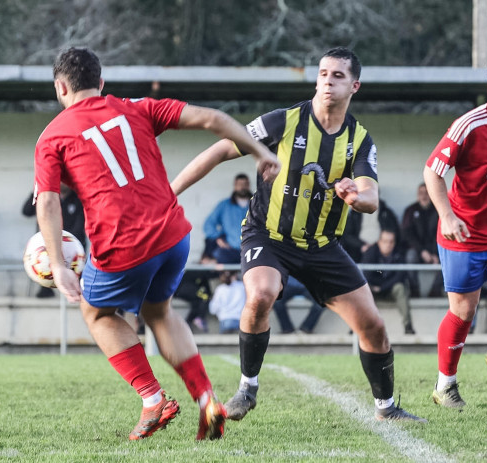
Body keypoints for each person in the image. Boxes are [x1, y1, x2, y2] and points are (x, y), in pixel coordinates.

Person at [34, 48, 280, 441]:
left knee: (95, 314)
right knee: (159, 313)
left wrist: (60, 266)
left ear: (60, 88)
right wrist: (262, 151)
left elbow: (46, 200)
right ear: (101, 83)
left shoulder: (52, 136)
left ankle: (153, 399)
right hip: (173, 235)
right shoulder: (137, 108)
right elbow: (213, 119)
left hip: (122, 244)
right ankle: (206, 402)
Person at [171, 47, 425, 423]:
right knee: (261, 294)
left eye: (338, 76)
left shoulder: (359, 140)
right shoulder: (284, 121)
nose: (327, 81)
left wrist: (356, 196)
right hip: (268, 235)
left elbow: (371, 195)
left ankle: (386, 408)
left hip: (322, 246)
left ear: (354, 85)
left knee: (373, 326)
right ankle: (247, 388)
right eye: (323, 74)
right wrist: (169, 192)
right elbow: (222, 148)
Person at [425, 53, 487, 409]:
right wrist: (447, 215)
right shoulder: (469, 125)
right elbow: (432, 171)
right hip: (463, 233)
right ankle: (445, 385)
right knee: (463, 311)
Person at [22, 183, 86, 298]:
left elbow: (80, 226)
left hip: (72, 249)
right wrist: (36, 191)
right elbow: (26, 211)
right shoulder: (44, 197)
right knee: (45, 267)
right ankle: (46, 291)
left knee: (78, 284)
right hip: (47, 249)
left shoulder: (78, 198)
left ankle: (78, 295)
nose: (62, 182)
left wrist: (64, 243)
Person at [361, 229, 415, 335]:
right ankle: (357, 325)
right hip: (373, 289)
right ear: (379, 242)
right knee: (362, 290)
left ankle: (408, 326)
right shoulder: (371, 252)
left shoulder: (398, 253)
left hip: (389, 289)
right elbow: (366, 275)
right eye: (385, 241)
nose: (388, 245)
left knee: (400, 287)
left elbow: (400, 276)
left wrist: (382, 287)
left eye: (391, 242)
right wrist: (376, 286)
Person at [401, 183, 443, 297]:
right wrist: (422, 251)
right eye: (421, 193)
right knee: (410, 256)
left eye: (426, 193)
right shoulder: (410, 210)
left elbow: (441, 233)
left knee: (447, 256)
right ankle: (415, 290)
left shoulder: (439, 210)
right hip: (417, 250)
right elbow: (407, 234)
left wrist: (435, 253)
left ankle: (435, 291)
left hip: (435, 249)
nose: (424, 196)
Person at [203, 174, 252, 263]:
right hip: (230, 250)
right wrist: (217, 238)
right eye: (239, 184)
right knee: (217, 255)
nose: (242, 187)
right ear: (235, 185)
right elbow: (208, 224)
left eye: (245, 184)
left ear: (249, 185)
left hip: (252, 249)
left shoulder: (256, 205)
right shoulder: (224, 205)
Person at [340, 198, 400, 262]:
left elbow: (393, 231)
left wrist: (380, 243)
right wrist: (362, 245)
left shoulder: (386, 212)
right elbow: (348, 235)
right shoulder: (355, 213)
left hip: (380, 247)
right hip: (358, 248)